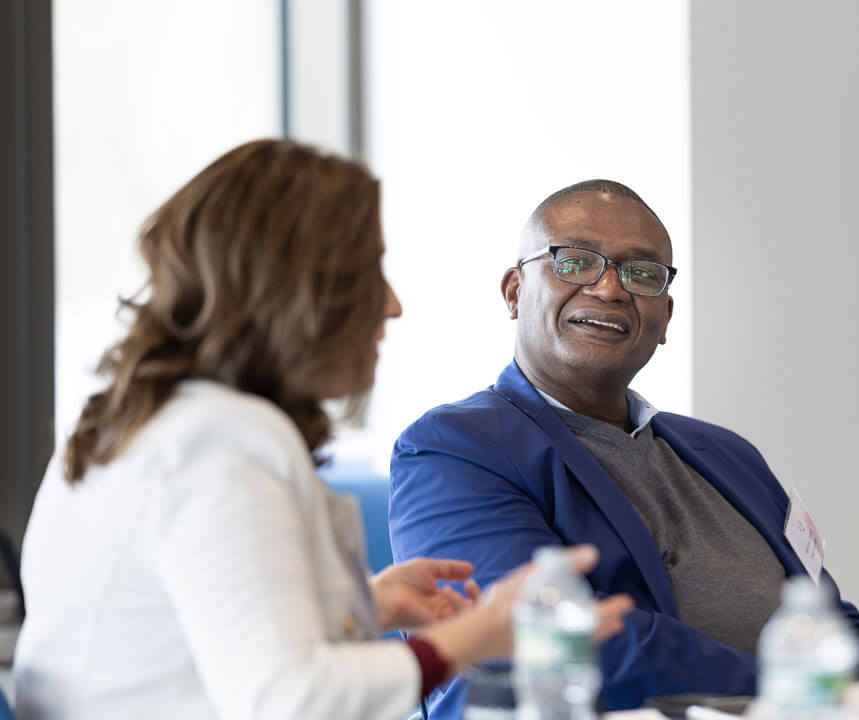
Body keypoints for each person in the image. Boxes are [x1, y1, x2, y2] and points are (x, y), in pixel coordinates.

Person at [13, 140, 631, 720]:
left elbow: (178, 640)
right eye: (370, 271)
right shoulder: (222, 444)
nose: (392, 305)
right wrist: (478, 634)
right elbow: (290, 699)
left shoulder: (154, 422)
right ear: (302, 289)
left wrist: (362, 606)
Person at [389, 179, 859, 718]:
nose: (611, 289)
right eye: (575, 261)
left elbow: (828, 624)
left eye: (641, 274)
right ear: (514, 291)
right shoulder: (454, 449)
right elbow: (554, 644)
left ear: (664, 318)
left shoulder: (728, 454)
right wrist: (801, 699)